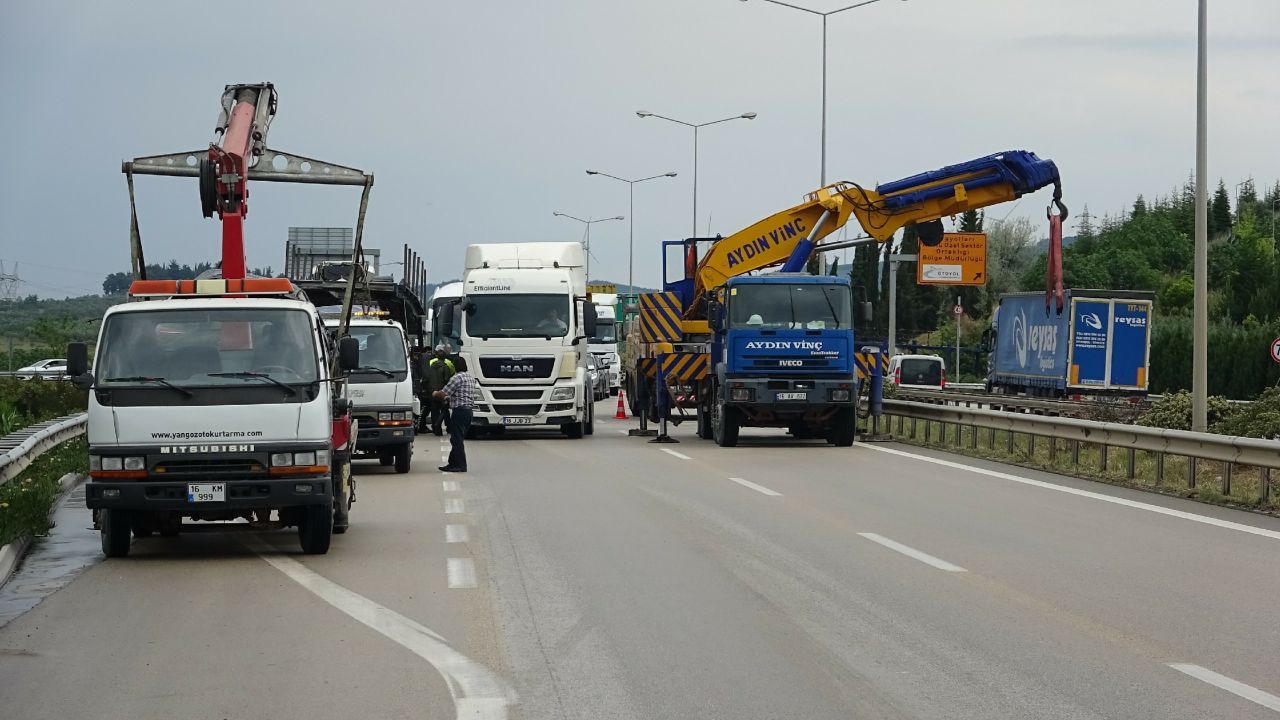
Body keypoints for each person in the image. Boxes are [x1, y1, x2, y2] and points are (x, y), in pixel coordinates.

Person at [434, 356, 477, 473]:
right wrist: (450, 398)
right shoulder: (470, 378)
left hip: (459, 411)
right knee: (457, 439)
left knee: (457, 439)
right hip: (468, 411)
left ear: (454, 366)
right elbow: (461, 394)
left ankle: (461, 465)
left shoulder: (456, 378)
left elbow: (443, 393)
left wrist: (435, 393)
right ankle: (452, 463)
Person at [424, 344, 455, 436]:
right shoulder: (447, 365)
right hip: (442, 392)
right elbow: (448, 379)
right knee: (445, 409)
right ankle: (448, 427)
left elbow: (426, 377)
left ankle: (436, 429)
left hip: (432, 391)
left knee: (434, 411)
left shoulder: (430, 364)